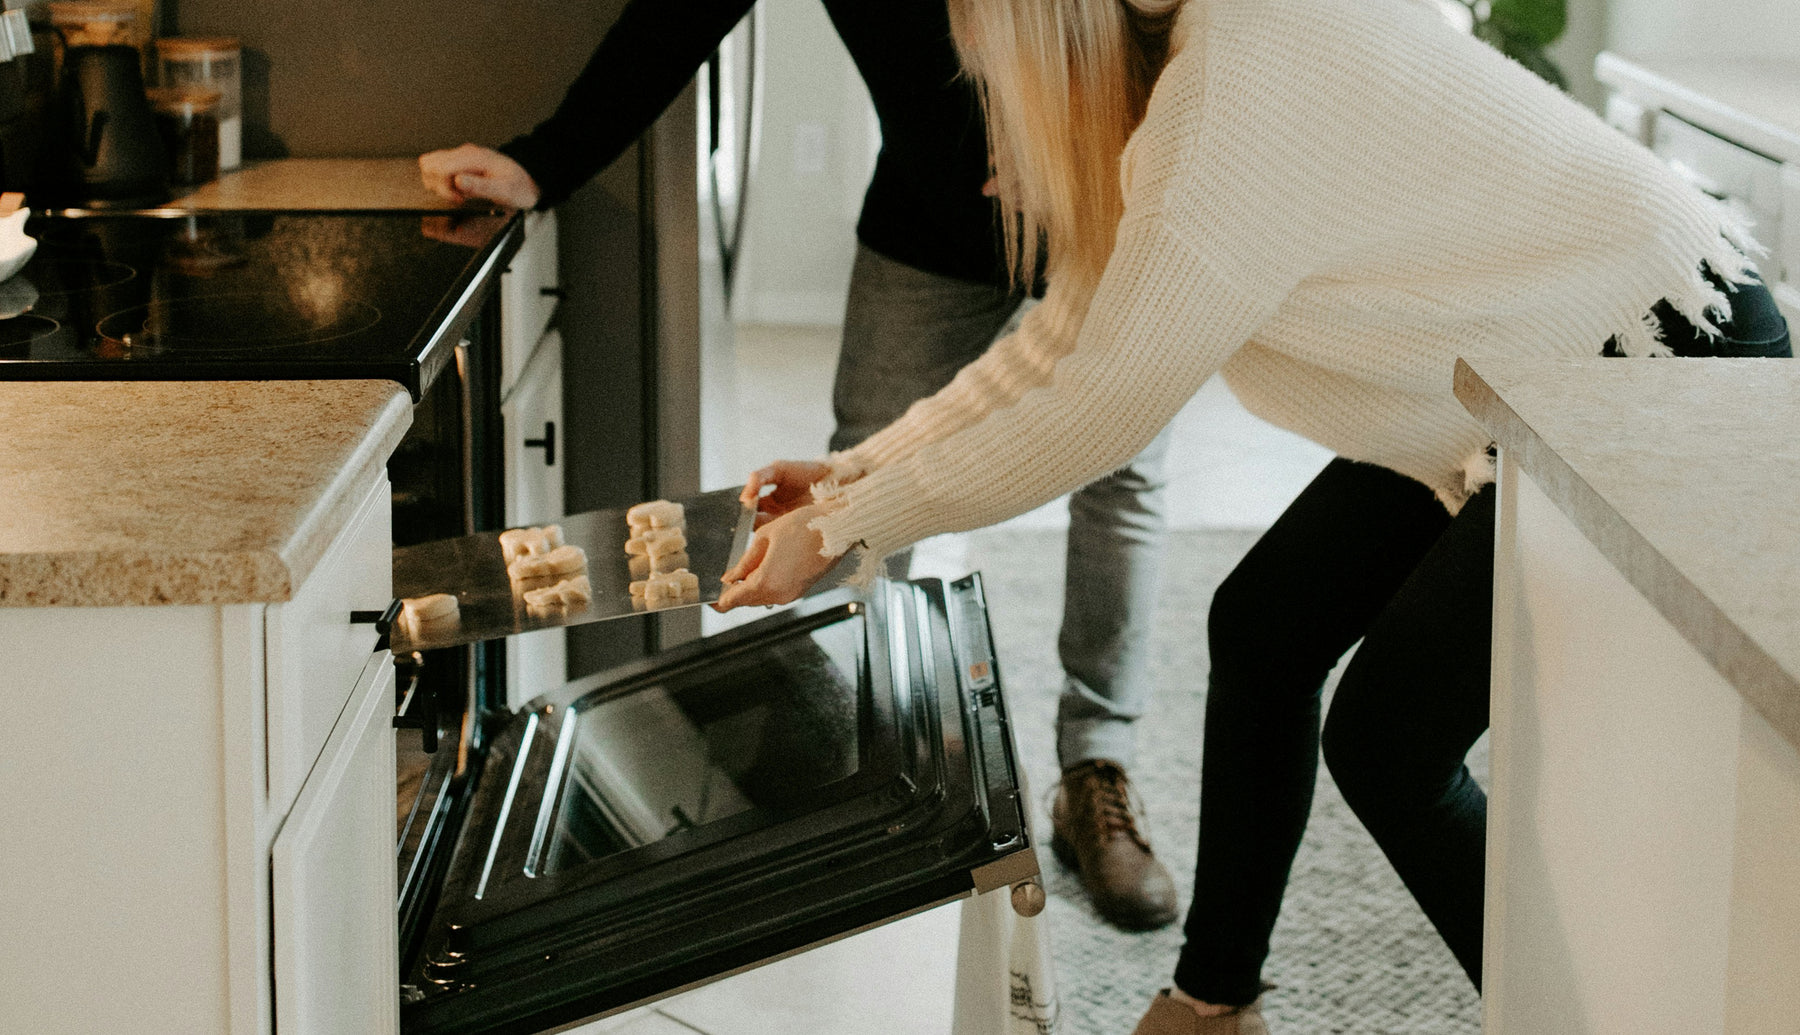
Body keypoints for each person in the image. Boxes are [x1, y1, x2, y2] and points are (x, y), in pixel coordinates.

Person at [710, 0, 1792, 1031]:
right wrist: (854, 478)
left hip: (1651, 356)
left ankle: (1565, 1021)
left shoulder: (1227, 101)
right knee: (1266, 624)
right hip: (1515, 376)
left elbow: (1094, 407)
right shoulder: (1185, 76)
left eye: (998, 85)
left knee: (1386, 745)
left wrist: (855, 523)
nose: (999, 132)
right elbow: (1053, 353)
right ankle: (1214, 1005)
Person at [417, 0, 1183, 931]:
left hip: (1113, 197)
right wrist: (548, 158)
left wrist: (1121, 146)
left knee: (1125, 475)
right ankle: (854, 758)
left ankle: (1095, 769)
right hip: (928, 218)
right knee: (857, 469)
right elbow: (672, 20)